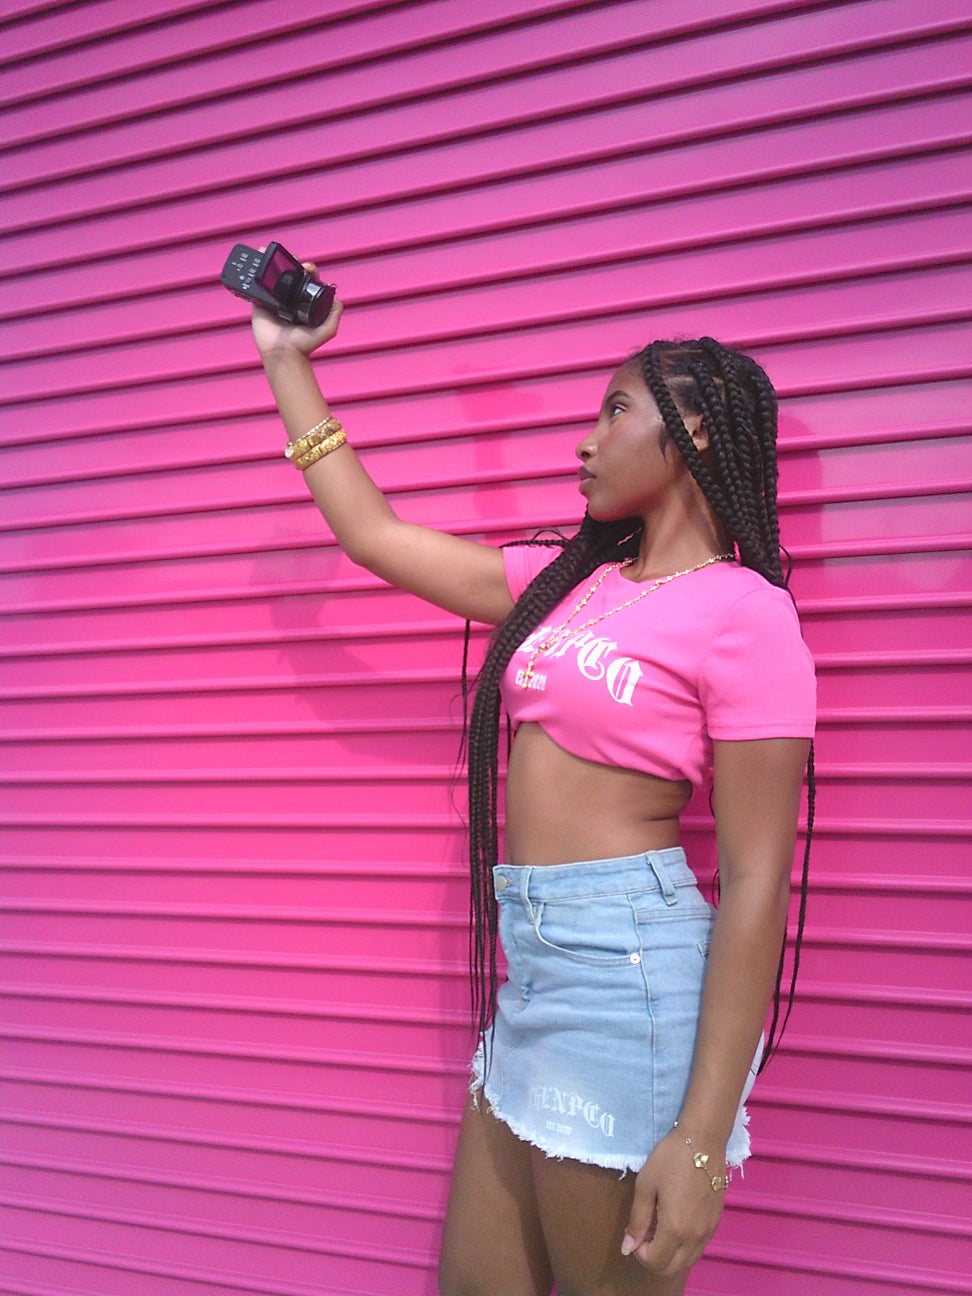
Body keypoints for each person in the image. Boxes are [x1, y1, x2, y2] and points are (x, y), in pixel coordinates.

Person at [250, 270, 816, 1296]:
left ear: (694, 431)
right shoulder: (570, 584)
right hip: (535, 971)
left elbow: (757, 882)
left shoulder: (746, 613)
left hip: (629, 978)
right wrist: (288, 361)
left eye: (615, 410)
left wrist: (697, 1145)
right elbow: (374, 537)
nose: (584, 442)